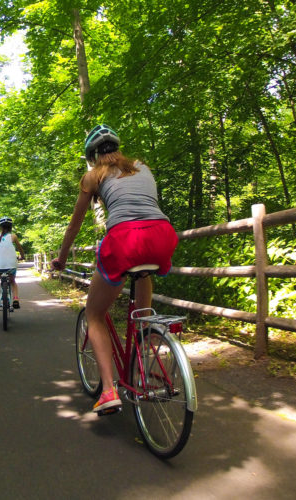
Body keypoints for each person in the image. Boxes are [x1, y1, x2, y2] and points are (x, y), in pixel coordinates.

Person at [51, 124, 178, 415]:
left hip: (124, 239)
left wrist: (61, 257)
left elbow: (75, 223)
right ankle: (143, 344)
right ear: (117, 147)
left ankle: (109, 390)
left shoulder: (93, 175)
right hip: (162, 234)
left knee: (94, 313)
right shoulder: (141, 166)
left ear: (93, 155)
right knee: (142, 293)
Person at [0, 216, 26, 308]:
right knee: (12, 280)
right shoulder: (13, 236)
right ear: (11, 227)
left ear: (0, 227)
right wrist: (22, 256)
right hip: (11, 264)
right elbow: (20, 249)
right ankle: (15, 298)